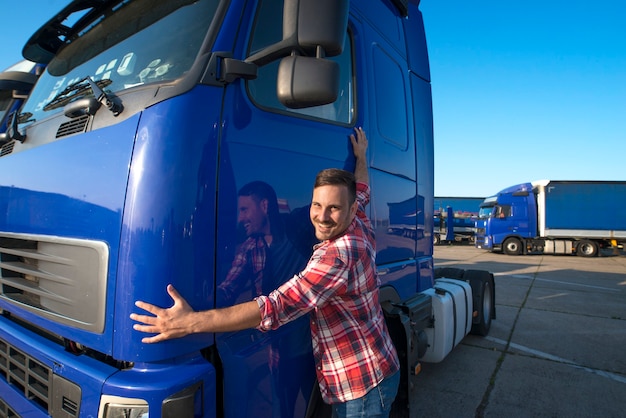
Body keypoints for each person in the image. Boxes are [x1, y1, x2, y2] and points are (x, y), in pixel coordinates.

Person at [131, 127, 401, 417]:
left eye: (333, 208)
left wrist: (191, 323)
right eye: (317, 205)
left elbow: (274, 307)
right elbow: (362, 188)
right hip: (361, 365)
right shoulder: (357, 217)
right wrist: (361, 155)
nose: (322, 217)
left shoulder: (336, 255)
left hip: (360, 385)